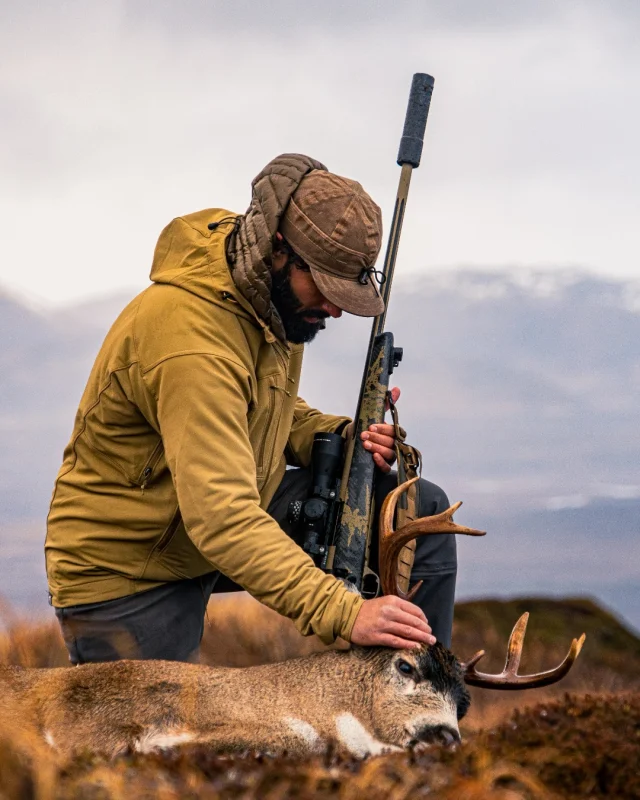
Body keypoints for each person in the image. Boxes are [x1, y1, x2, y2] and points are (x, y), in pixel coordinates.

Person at [45, 154, 457, 665]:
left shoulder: (269, 300)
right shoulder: (192, 344)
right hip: (130, 569)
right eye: (326, 290)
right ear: (280, 250)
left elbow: (266, 406)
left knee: (418, 509)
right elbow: (222, 516)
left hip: (214, 523)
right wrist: (346, 611)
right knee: (166, 740)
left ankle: (425, 700)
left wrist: (343, 437)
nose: (334, 309)